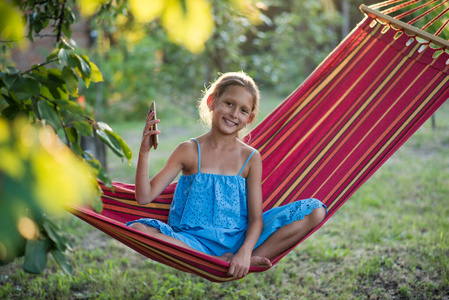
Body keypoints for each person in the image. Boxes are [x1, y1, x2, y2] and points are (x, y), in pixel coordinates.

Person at [127, 72, 327, 278]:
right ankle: (218, 261)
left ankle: (244, 261)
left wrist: (244, 251)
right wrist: (144, 152)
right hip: (192, 242)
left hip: (238, 239)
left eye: (243, 110)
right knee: (139, 229)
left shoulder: (250, 157)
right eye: (229, 104)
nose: (234, 114)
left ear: (249, 119)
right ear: (212, 102)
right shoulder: (188, 150)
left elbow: (256, 219)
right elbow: (144, 196)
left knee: (315, 210)